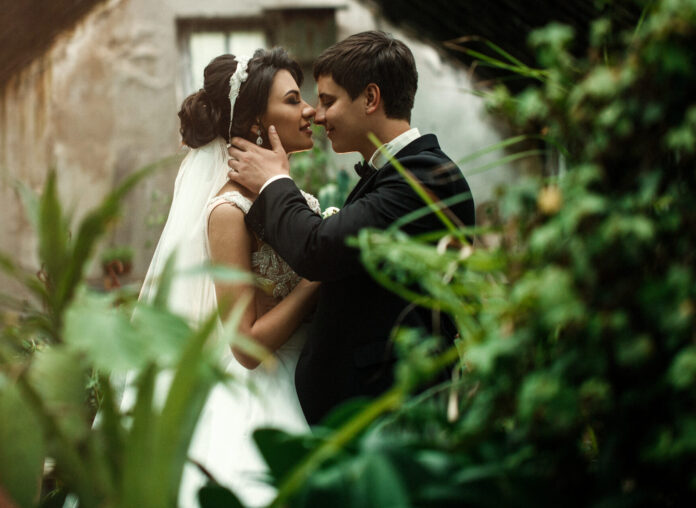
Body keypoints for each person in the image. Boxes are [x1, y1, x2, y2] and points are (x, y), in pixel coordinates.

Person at [227, 30, 476, 425]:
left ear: (371, 98)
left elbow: (319, 250)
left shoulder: (425, 176)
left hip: (394, 411)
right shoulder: (390, 175)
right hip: (367, 410)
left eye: (328, 101)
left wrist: (275, 183)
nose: (318, 115)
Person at [136, 48, 320, 506]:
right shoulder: (228, 211)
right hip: (264, 396)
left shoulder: (287, 198)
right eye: (294, 100)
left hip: (311, 380)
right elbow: (245, 346)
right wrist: (318, 281)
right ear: (258, 122)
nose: (311, 110)